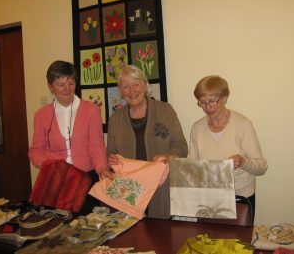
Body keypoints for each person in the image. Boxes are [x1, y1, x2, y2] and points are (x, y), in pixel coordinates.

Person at [28, 60, 112, 213]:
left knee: (85, 228)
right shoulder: (41, 115)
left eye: (71, 83)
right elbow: (35, 151)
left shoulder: (91, 110)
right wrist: (52, 167)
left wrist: (102, 169)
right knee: (55, 228)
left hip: (85, 180)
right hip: (55, 181)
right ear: (50, 86)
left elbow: (96, 147)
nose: (67, 89)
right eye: (61, 85)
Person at [107, 65, 188, 219]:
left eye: (136, 84)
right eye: (126, 86)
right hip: (129, 190)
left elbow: (181, 146)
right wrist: (111, 160)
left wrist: (168, 156)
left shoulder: (165, 110)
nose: (132, 91)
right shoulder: (116, 118)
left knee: (160, 237)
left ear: (144, 85)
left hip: (161, 187)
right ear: (121, 91)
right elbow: (110, 152)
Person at [189, 75, 267, 218]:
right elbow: (192, 167)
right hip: (208, 199)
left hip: (240, 198)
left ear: (224, 98)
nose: (207, 107)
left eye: (212, 101)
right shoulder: (197, 128)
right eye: (202, 102)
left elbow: (262, 167)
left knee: (236, 240)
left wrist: (243, 162)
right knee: (207, 239)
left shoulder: (242, 125)